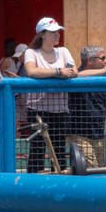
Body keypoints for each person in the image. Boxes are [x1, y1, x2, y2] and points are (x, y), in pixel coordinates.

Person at [22, 18, 78, 173]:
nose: (57, 35)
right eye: (53, 32)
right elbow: (32, 71)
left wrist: (52, 74)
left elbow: (74, 72)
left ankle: (60, 185)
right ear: (42, 34)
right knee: (37, 151)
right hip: (37, 111)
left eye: (57, 32)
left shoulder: (63, 51)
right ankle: (33, 187)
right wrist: (58, 72)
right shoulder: (31, 52)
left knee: (59, 151)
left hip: (60, 110)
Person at [64, 45, 106, 168]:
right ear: (90, 60)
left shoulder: (104, 78)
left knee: (100, 170)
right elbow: (78, 75)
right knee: (90, 169)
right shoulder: (76, 75)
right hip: (79, 134)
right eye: (102, 58)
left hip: (99, 134)